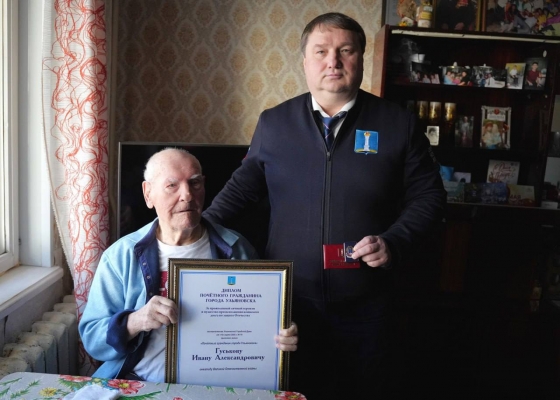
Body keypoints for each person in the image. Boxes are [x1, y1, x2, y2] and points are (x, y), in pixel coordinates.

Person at [203, 12, 445, 399]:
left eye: (345, 50)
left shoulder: (398, 124)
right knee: (295, 393)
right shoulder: (274, 123)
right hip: (289, 305)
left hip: (367, 303)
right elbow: (240, 192)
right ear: (305, 61)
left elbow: (429, 196)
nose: (333, 61)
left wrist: (394, 241)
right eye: (321, 51)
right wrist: (189, 234)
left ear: (361, 58)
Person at [79, 148, 298, 382]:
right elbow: (93, 340)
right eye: (172, 185)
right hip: (141, 381)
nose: (187, 195)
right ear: (148, 193)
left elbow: (261, 321)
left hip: (218, 384)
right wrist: (135, 321)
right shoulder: (121, 256)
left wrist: (281, 333)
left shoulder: (237, 249)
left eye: (194, 183)